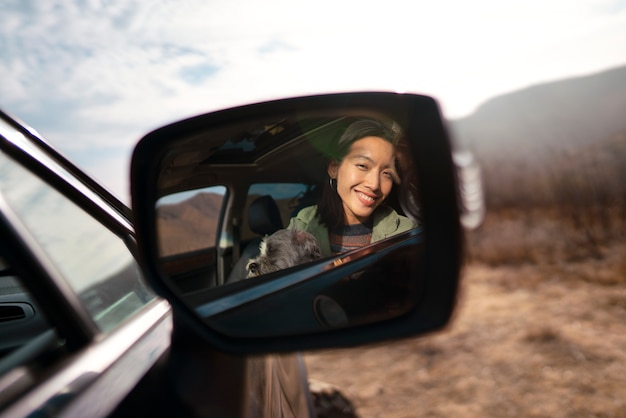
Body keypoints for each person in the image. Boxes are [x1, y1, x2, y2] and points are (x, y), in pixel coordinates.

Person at [288, 119, 418, 257]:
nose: (374, 185)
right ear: (334, 168)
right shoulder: (300, 229)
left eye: (387, 173)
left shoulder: (406, 234)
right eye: (363, 166)